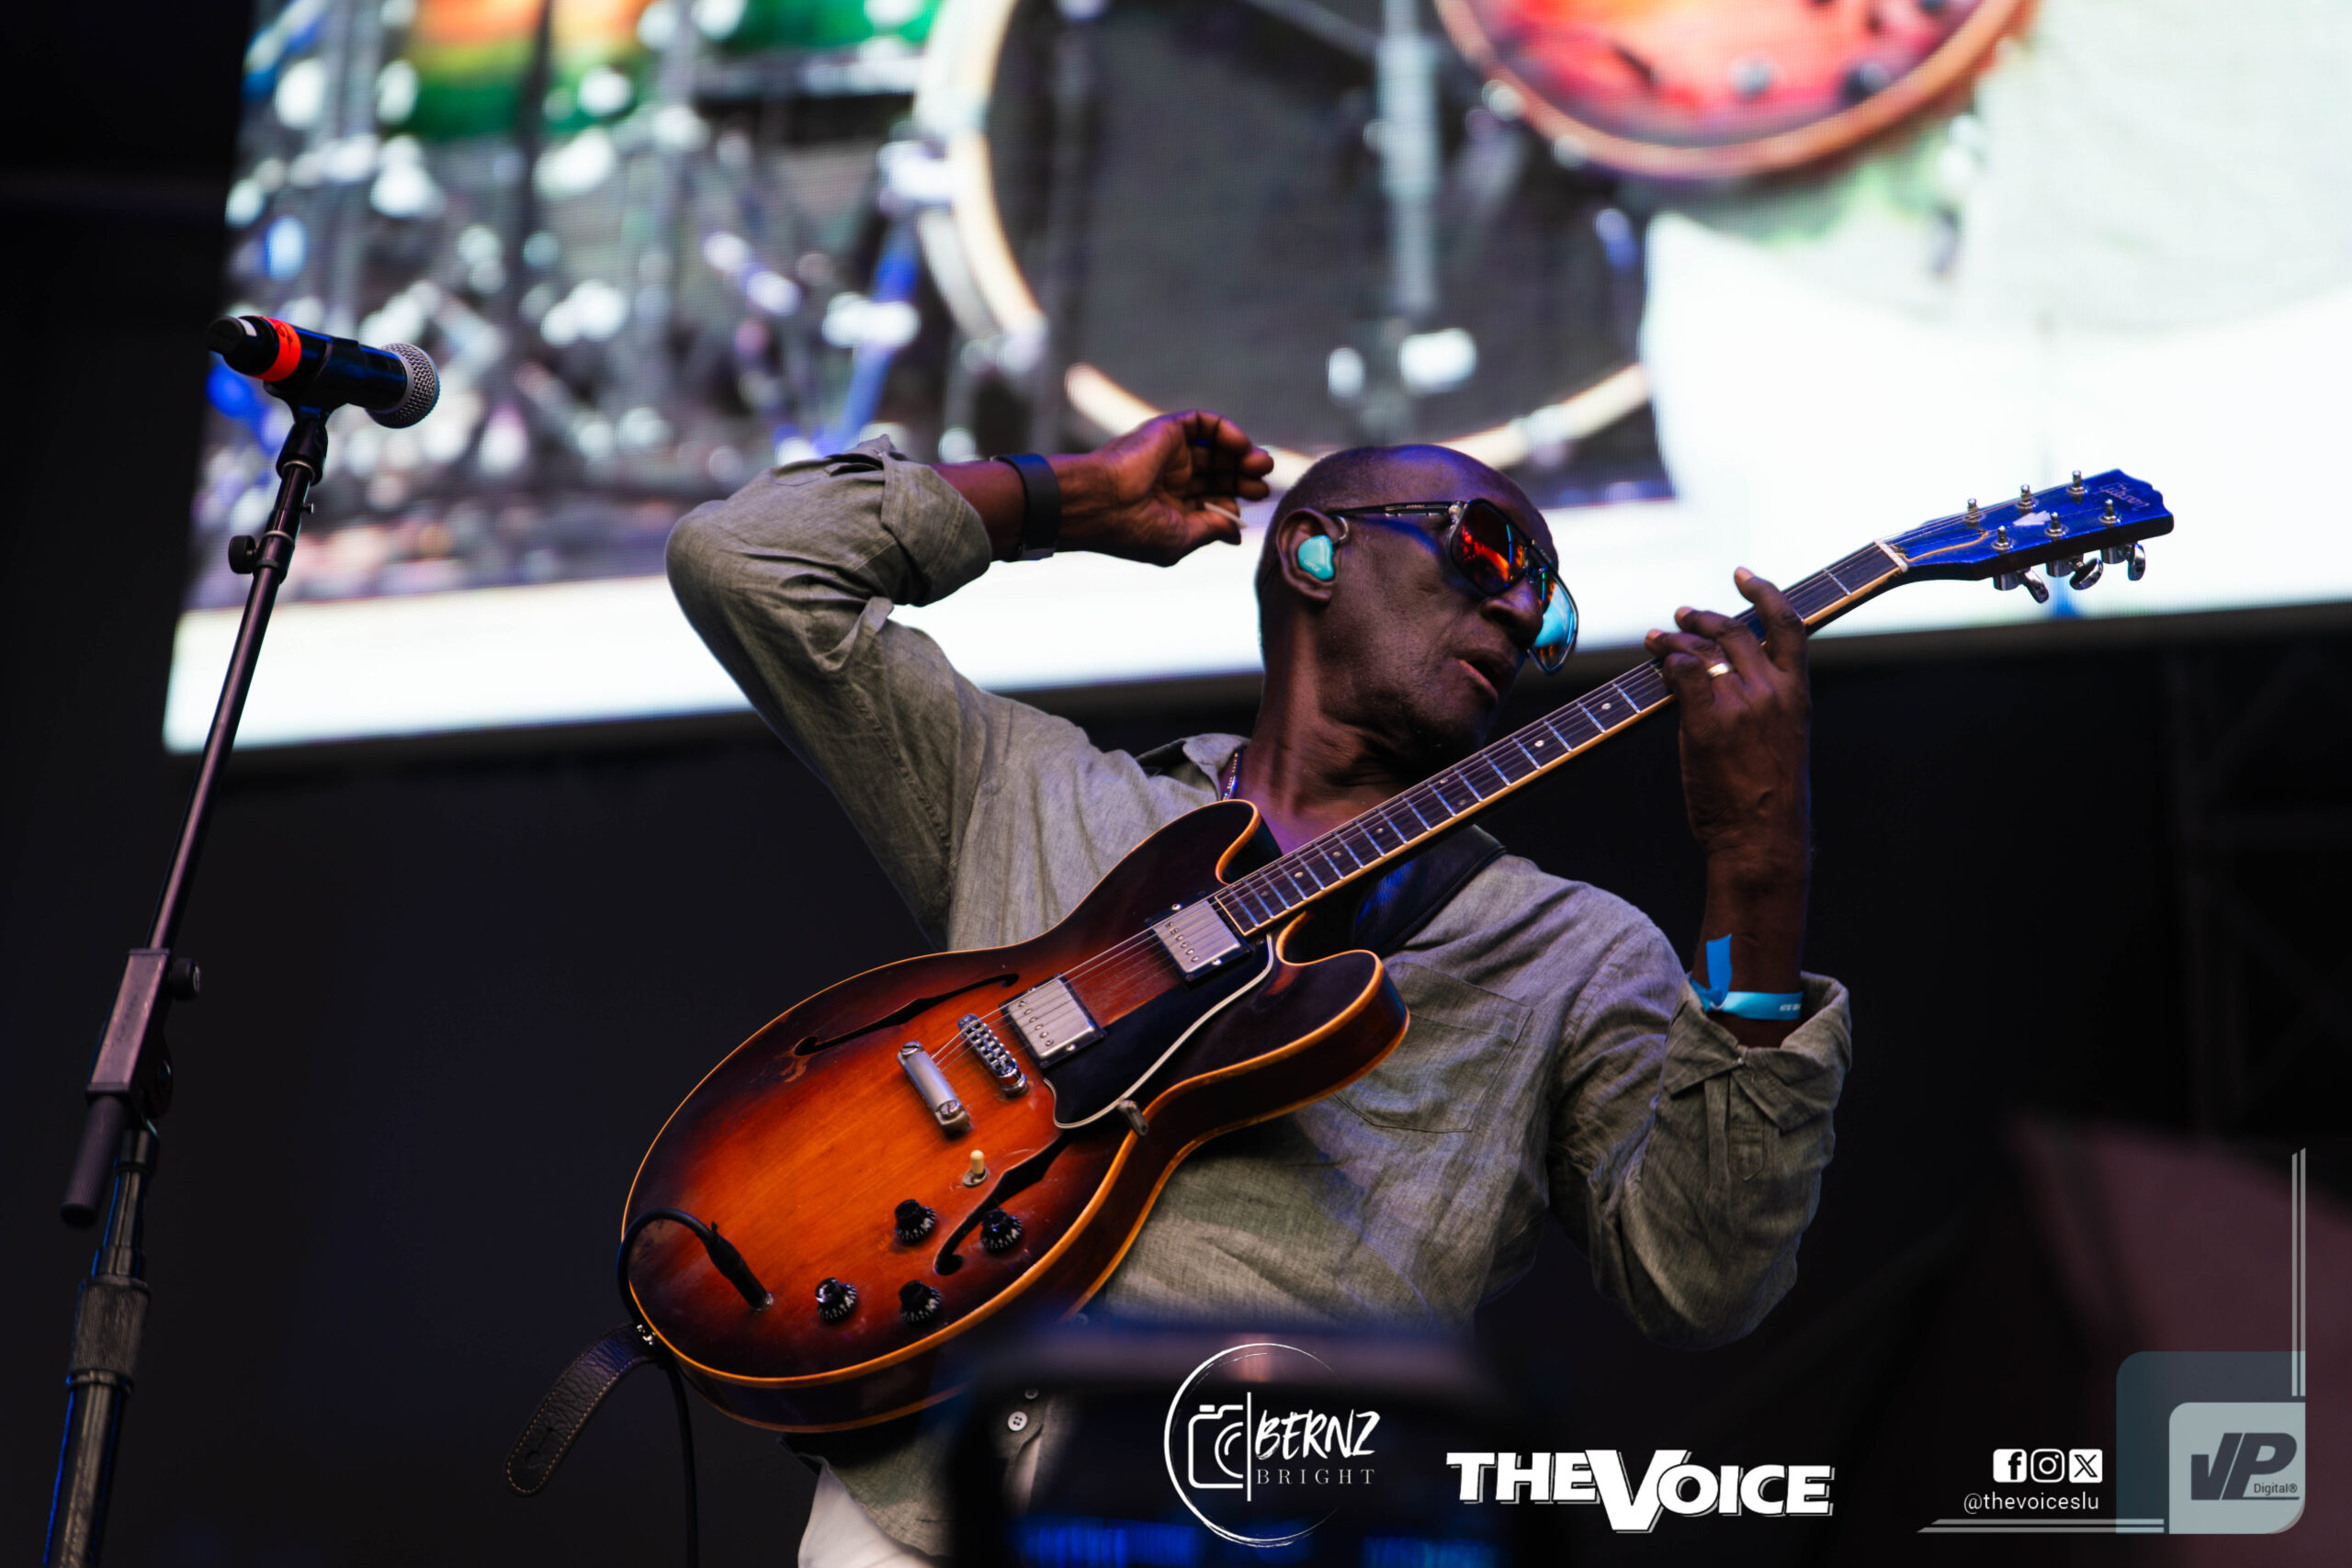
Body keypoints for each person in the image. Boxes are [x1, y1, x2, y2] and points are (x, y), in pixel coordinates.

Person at [665, 410, 1850, 1567]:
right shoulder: (1035, 793)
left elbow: (1704, 1282)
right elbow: (745, 561)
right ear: (1315, 551)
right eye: (1489, 550)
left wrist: (1760, 863)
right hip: (923, 1509)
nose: (1522, 607)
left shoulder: (1572, 951)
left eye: (1551, 604)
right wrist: (1070, 498)